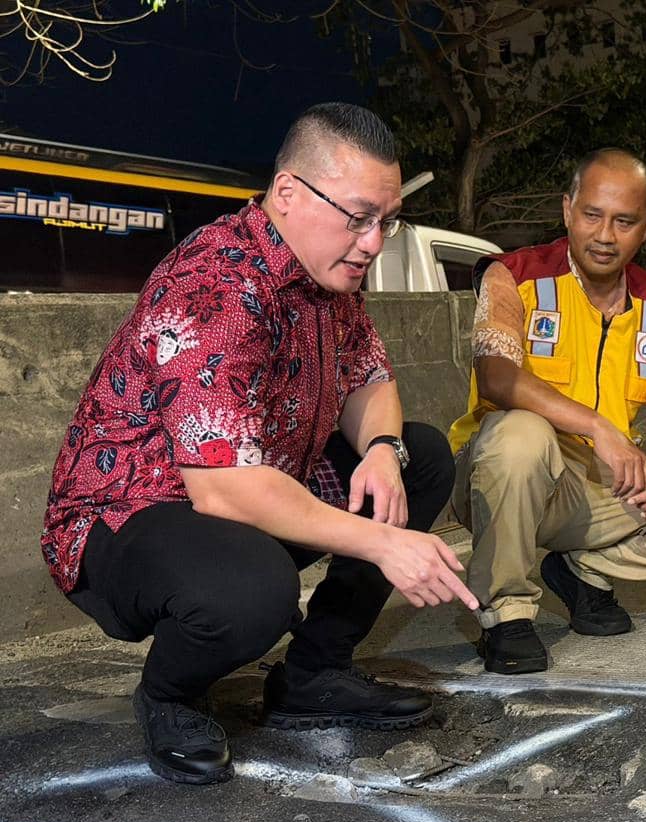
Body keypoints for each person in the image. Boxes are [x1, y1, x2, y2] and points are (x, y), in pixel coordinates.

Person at [41, 102, 478, 786]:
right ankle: (170, 695)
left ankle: (313, 674)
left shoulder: (329, 275)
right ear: (288, 193)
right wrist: (384, 543)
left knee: (418, 456)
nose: (372, 243)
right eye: (358, 217)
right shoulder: (216, 284)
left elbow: (370, 377)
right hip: (129, 516)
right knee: (255, 591)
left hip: (251, 485)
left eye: (387, 222)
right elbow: (224, 488)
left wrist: (382, 449)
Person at [447, 149, 646, 674]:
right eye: (592, 215)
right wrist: (598, 427)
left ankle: (583, 569)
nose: (605, 235)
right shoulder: (515, 276)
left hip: (593, 487)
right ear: (568, 210)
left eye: (624, 222)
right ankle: (505, 612)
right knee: (520, 435)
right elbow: (496, 375)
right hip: (501, 474)